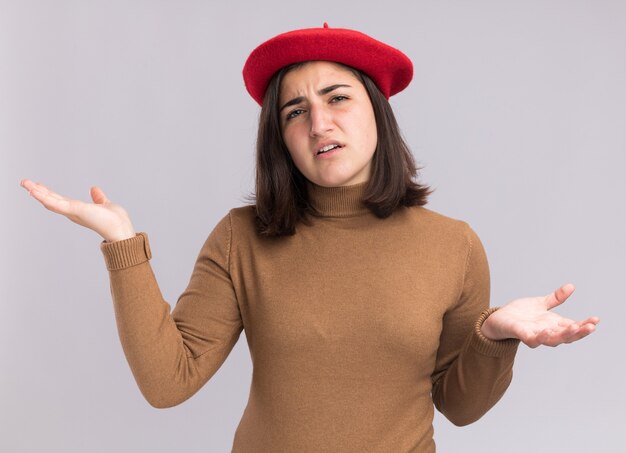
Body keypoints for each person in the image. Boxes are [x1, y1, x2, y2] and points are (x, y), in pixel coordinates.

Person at [20, 24, 599, 452]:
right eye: (294, 111)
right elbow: (168, 382)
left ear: (377, 111)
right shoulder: (241, 238)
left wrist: (493, 337)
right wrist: (123, 245)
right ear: (281, 139)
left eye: (337, 98)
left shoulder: (453, 245)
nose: (318, 122)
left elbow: (460, 408)